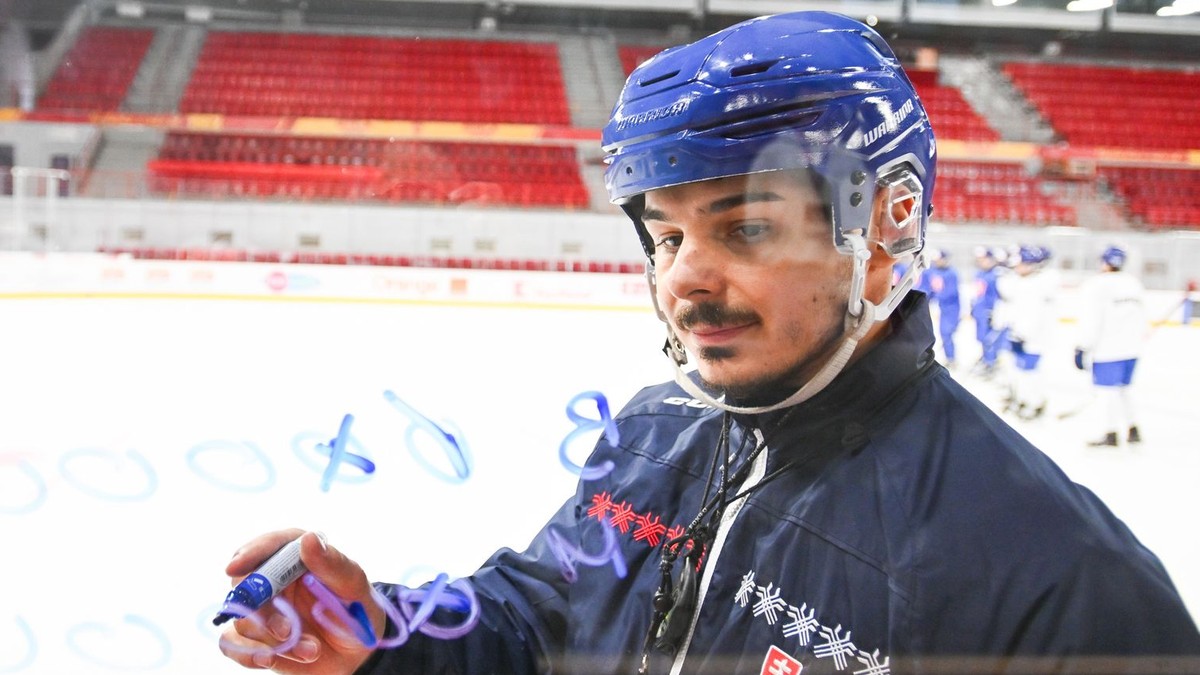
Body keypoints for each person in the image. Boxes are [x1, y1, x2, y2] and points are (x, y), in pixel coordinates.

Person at [218, 12, 1200, 675]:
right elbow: (544, 617)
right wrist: (385, 635)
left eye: (747, 228)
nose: (684, 274)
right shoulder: (656, 434)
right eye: (669, 234)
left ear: (885, 231)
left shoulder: (1065, 588)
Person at [1075, 245, 1148, 447]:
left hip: (1108, 350)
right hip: (1132, 349)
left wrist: (1083, 346)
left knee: (1107, 393)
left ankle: (1110, 433)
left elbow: (1092, 319)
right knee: (1124, 390)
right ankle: (1133, 429)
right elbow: (1143, 318)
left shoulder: (1096, 285)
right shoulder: (1133, 283)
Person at [993, 244, 1057, 420]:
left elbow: (1033, 315)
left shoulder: (1036, 285)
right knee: (1019, 371)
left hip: (1032, 339)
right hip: (1020, 335)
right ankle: (1023, 399)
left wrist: (1022, 334)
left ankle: (1034, 403)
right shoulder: (1024, 282)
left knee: (1029, 372)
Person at [969, 246, 1006, 378]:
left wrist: (994, 312)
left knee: (989, 340)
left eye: (984, 259)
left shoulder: (996, 275)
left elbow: (999, 297)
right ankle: (985, 360)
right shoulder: (979, 274)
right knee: (981, 338)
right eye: (979, 259)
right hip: (980, 312)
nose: (981, 262)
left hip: (989, 313)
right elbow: (977, 294)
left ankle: (991, 363)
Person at [923, 248, 961, 368]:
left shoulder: (951, 273)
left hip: (950, 308)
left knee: (946, 333)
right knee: (940, 333)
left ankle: (951, 358)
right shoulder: (934, 272)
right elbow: (930, 289)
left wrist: (935, 297)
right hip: (940, 306)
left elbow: (950, 292)